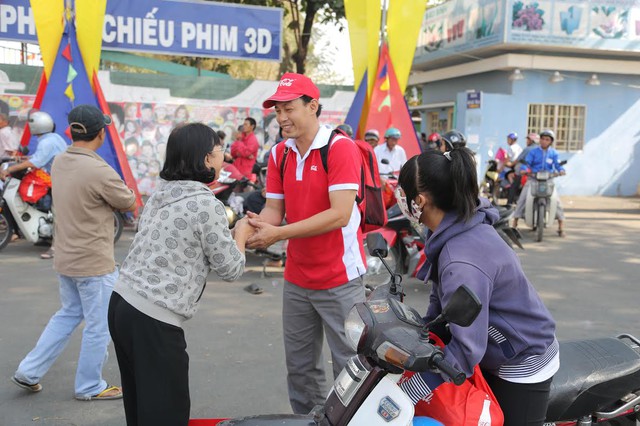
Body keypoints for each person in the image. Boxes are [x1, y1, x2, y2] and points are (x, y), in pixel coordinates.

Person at [395, 147, 559, 426]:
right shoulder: (455, 226)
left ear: (419, 200)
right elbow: (443, 301)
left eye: (403, 193)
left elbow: (467, 349)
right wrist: (421, 333)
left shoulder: (461, 261)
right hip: (495, 347)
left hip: (522, 359)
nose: (400, 199)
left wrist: (412, 390)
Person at [109, 123, 252, 426]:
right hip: (153, 319)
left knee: (140, 408)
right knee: (166, 412)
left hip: (122, 303)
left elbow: (193, 240)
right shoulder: (206, 204)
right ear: (205, 160)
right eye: (219, 151)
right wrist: (240, 232)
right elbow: (231, 268)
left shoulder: (163, 193)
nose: (224, 157)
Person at [246, 72, 366, 414]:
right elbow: (273, 210)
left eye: (289, 109)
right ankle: (310, 421)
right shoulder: (279, 154)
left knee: (350, 365)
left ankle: (349, 420)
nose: (281, 118)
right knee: (300, 368)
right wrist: (248, 229)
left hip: (340, 277)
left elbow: (339, 215)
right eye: (277, 110)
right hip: (298, 278)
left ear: (313, 106)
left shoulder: (340, 149)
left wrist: (278, 235)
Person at [11, 104, 136, 401]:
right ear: (101, 134)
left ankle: (29, 372)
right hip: (93, 262)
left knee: (67, 315)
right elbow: (128, 202)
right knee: (98, 326)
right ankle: (89, 385)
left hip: (66, 256)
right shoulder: (99, 169)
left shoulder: (62, 160)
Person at [513, 129, 566, 236]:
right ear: (540, 140)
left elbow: (558, 164)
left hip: (548, 180)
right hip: (533, 179)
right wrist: (524, 169)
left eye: (547, 139)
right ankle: (514, 225)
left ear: (551, 142)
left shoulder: (554, 153)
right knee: (522, 199)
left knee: (557, 202)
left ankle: (561, 227)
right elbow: (526, 163)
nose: (544, 141)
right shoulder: (533, 152)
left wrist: (561, 170)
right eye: (542, 139)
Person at [0, 111, 67, 180]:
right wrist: (24, 158)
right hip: (62, 176)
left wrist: (8, 170)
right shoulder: (55, 137)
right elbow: (41, 156)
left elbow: (34, 163)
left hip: (60, 180)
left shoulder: (46, 142)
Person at [507, 132, 539, 205]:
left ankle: (509, 202)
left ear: (532, 140)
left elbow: (519, 159)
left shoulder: (528, 149)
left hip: (524, 170)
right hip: (536, 172)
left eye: (528, 140)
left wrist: (510, 164)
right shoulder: (539, 149)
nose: (527, 141)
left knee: (514, 185)